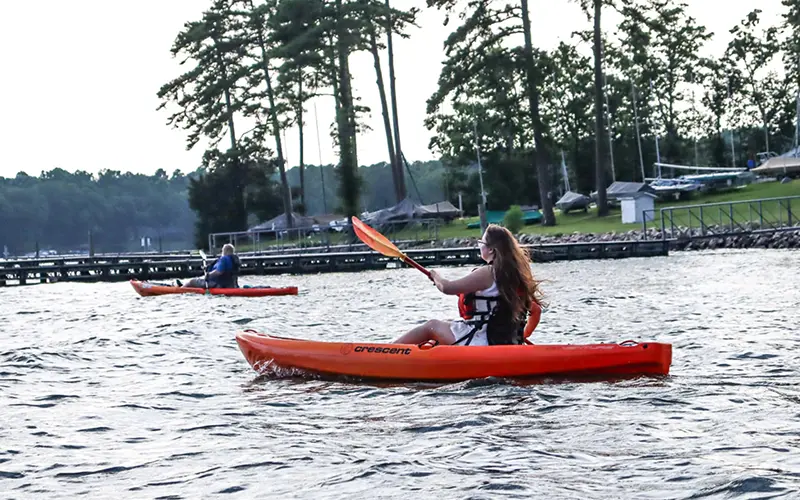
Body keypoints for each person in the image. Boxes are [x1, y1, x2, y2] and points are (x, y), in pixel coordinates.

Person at [393, 224, 544, 346]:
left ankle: (388, 350)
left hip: (479, 340)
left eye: (482, 243)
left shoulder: (488, 272)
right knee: (447, 328)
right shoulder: (514, 275)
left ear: (491, 249)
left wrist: (436, 276)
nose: (479, 246)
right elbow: (535, 311)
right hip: (506, 343)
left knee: (431, 326)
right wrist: (523, 336)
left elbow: (447, 287)